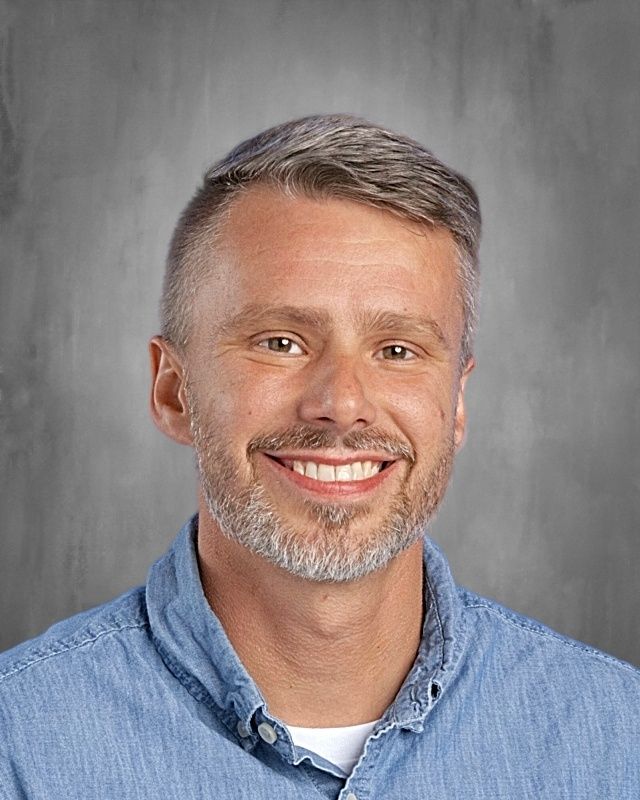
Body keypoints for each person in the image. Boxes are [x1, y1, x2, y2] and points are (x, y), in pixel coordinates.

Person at [0, 115, 638, 799]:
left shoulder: (616, 736)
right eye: (280, 342)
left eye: (397, 350)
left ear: (455, 404)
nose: (342, 403)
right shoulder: (20, 745)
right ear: (173, 391)